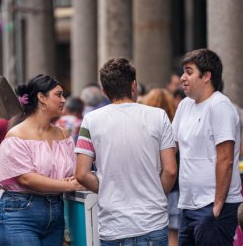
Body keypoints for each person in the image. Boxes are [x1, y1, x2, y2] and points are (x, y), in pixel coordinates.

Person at [75, 58, 177, 245]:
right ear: (134, 85)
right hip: (153, 222)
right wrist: (154, 191)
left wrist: (108, 187)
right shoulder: (159, 116)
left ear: (104, 91)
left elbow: (81, 173)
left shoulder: (90, 120)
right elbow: (170, 170)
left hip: (113, 226)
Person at [0, 74, 84, 246]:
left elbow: (73, 172)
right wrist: (69, 185)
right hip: (20, 215)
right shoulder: (16, 135)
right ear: (41, 98)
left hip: (56, 212)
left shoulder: (63, 135)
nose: (64, 100)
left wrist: (73, 179)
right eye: (58, 95)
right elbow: (26, 178)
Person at [172, 49, 243, 245]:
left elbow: (226, 158)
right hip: (188, 203)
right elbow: (171, 147)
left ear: (206, 76)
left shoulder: (220, 106)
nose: (182, 78)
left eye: (189, 72)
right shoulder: (185, 105)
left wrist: (218, 204)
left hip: (213, 205)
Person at [143, 88, 179, 246]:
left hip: (150, 187)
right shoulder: (174, 129)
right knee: (173, 233)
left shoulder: (146, 130)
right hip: (175, 188)